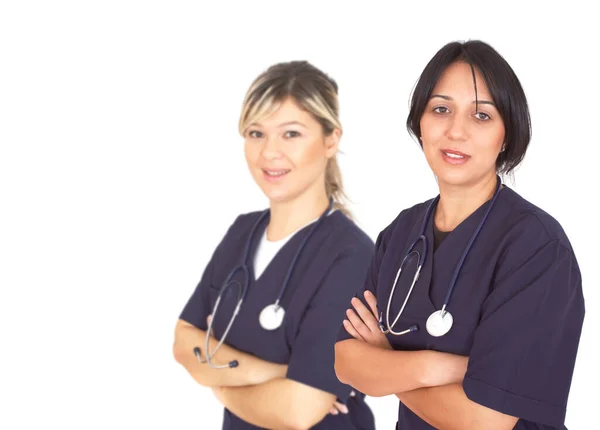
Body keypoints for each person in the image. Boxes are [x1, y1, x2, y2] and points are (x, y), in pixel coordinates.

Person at [334, 40, 585, 430]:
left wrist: (387, 364)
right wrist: (441, 367)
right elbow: (346, 362)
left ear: (507, 133)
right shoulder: (399, 235)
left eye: (481, 116)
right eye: (441, 109)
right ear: (420, 122)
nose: (456, 131)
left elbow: (485, 420)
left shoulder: (537, 247)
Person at [173, 60, 376, 430]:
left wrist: (215, 380)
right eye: (256, 133)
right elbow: (183, 343)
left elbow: (298, 411)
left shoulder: (350, 256)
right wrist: (275, 373)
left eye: (291, 134)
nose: (269, 153)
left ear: (331, 139)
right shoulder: (242, 233)